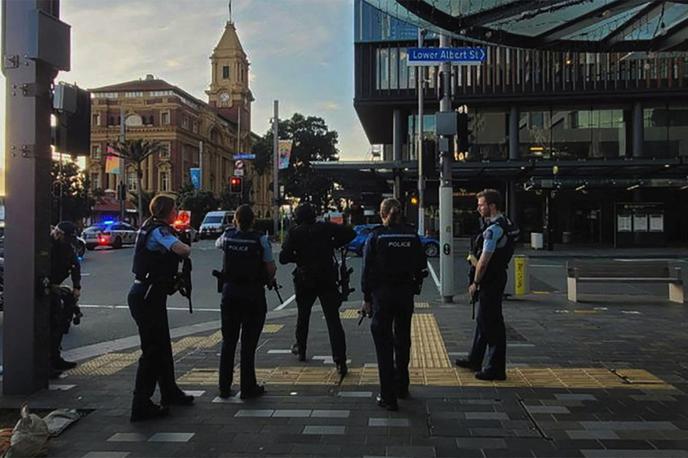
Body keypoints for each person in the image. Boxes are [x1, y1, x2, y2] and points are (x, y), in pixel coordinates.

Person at [128, 195, 194, 422]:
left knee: (163, 346)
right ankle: (141, 404)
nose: (177, 212)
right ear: (167, 211)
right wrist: (185, 241)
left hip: (149, 294)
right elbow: (182, 250)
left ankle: (169, 391)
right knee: (152, 351)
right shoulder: (159, 231)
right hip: (147, 295)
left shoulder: (150, 226)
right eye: (175, 208)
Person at [361, 198, 427, 411]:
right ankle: (402, 385)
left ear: (382, 214)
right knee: (403, 339)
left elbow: (366, 270)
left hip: (382, 294)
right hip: (405, 294)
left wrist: (367, 298)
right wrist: (414, 286)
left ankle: (387, 396)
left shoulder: (376, 236)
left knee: (383, 344)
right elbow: (421, 266)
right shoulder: (412, 235)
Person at [279, 203, 355, 375]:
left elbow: (284, 258)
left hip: (304, 279)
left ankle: (301, 348)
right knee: (333, 320)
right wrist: (334, 244)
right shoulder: (326, 228)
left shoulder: (295, 232)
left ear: (298, 218)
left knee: (303, 315)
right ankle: (340, 360)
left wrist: (297, 257)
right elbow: (351, 232)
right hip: (327, 278)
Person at [215, 204, 276, 399]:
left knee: (228, 342)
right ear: (253, 220)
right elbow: (270, 267)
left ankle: (224, 386)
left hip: (230, 293)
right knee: (249, 344)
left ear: (235, 220)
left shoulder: (227, 236)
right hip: (253, 294)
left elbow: (218, 244)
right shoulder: (261, 239)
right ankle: (248, 387)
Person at [455, 189, 516, 381]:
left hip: (490, 279)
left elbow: (483, 261)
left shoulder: (493, 230)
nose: (478, 208)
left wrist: (475, 282)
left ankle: (496, 369)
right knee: (484, 320)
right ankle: (475, 358)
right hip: (497, 276)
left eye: (481, 205)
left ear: (492, 206)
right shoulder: (507, 224)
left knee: (491, 323)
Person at [49, 221, 82, 377]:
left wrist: (77, 286)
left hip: (55, 286)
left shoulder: (67, 247)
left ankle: (55, 358)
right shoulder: (47, 245)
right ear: (58, 233)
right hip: (43, 288)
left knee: (60, 324)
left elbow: (75, 265)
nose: (68, 241)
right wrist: (50, 286)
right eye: (66, 238)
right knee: (49, 326)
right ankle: (47, 363)